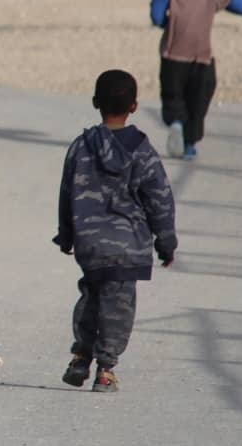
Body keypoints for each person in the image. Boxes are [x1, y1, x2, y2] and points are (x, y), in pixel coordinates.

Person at [53, 70, 177, 393]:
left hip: (90, 244)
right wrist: (166, 243)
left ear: (95, 103)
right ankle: (105, 369)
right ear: (134, 106)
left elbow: (67, 193)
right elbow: (159, 199)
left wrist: (66, 234)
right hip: (128, 247)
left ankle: (81, 356)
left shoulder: (81, 147)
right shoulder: (141, 151)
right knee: (118, 308)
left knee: (90, 298)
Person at [149, 0, 242, 161]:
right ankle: (189, 145)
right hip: (201, 55)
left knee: (174, 94)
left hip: (173, 53)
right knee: (198, 98)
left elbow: (156, 12)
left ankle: (177, 123)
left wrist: (165, 23)